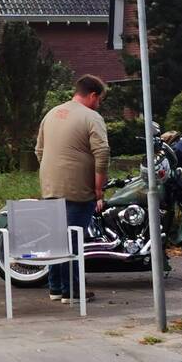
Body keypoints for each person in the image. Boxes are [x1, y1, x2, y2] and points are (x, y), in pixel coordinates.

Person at [35, 74, 110, 304]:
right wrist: (99, 188)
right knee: (73, 239)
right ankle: (73, 290)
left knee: (56, 239)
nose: (99, 105)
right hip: (77, 188)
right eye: (99, 100)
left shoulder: (51, 114)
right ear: (93, 95)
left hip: (49, 186)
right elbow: (102, 152)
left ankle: (56, 288)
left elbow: (39, 151)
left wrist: (52, 173)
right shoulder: (91, 117)